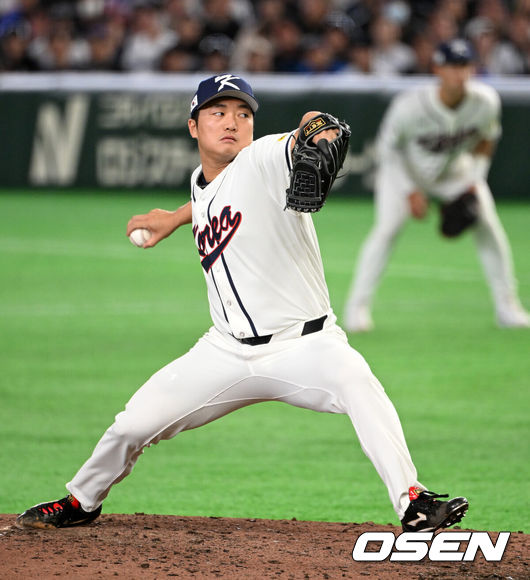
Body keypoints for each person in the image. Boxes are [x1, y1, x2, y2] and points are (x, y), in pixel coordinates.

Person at [16, 73, 468, 534]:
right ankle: (82, 500)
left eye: (243, 114)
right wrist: (175, 217)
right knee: (131, 425)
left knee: (358, 383)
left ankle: (412, 501)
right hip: (224, 352)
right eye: (218, 112)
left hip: (306, 346)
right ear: (194, 127)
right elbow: (213, 195)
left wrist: (321, 132)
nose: (232, 122)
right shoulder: (202, 181)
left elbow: (314, 123)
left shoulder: (263, 158)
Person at [344, 38, 530, 333]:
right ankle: (357, 308)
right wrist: (410, 191)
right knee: (386, 230)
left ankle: (508, 307)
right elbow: (387, 151)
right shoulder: (410, 106)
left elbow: (486, 140)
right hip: (403, 172)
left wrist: (474, 181)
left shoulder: (485, 101)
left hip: (454, 173)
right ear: (437, 70)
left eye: (464, 66)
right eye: (452, 66)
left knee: (490, 227)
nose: (459, 73)